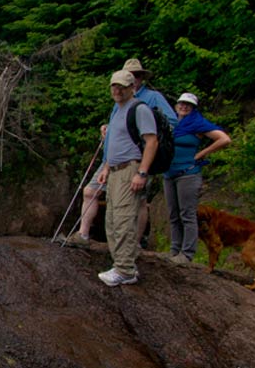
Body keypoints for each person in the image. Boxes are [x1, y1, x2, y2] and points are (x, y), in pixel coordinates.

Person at [96, 70, 158, 286]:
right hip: (114, 170)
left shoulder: (139, 109)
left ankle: (125, 270)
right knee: (111, 219)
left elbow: (151, 141)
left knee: (123, 219)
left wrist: (142, 172)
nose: (117, 90)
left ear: (133, 87)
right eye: (114, 86)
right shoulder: (117, 109)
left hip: (130, 170)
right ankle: (120, 264)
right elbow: (115, 142)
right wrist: (105, 167)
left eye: (122, 86)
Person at [113, 58, 177, 246]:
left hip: (141, 158)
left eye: (136, 75)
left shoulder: (151, 98)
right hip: (119, 159)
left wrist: (147, 126)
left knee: (138, 201)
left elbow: (171, 123)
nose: (133, 78)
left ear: (140, 78)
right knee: (117, 203)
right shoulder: (120, 99)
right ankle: (122, 244)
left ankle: (135, 243)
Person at [163, 92, 231, 264]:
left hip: (188, 173)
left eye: (188, 105)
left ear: (193, 108)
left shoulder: (197, 123)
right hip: (169, 172)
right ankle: (174, 250)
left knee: (187, 214)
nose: (184, 107)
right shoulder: (170, 122)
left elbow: (224, 139)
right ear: (176, 105)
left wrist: (201, 154)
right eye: (181, 104)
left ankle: (187, 254)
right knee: (173, 214)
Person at [64, 124, 108, 248]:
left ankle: (132, 243)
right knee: (89, 191)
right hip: (109, 158)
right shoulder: (118, 108)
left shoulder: (145, 106)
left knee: (131, 200)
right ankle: (83, 235)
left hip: (127, 158)